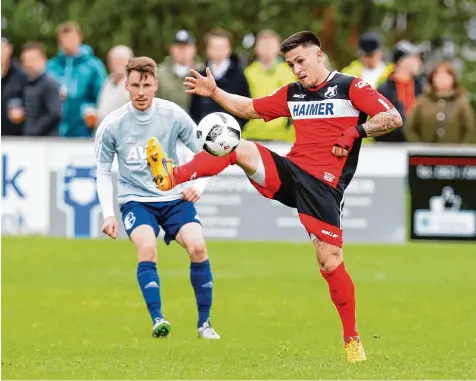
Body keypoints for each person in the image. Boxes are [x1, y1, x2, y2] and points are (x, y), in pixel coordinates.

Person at [148, 31, 402, 362]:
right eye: (291, 63)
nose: (297, 69)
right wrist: (216, 93)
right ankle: (173, 176)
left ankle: (352, 339)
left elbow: (392, 117)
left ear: (319, 56)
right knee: (237, 146)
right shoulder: (293, 93)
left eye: (301, 61)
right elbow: (250, 108)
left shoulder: (350, 87)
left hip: (323, 188)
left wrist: (356, 130)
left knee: (330, 263)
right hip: (290, 173)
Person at [95, 56, 219, 339]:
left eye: (146, 85)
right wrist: (108, 214)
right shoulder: (113, 125)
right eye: (135, 85)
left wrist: (198, 185)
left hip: (174, 197)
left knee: (198, 247)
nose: (140, 92)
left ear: (155, 85)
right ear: (126, 85)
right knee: (147, 247)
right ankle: (158, 319)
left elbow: (209, 154)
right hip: (135, 200)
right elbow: (102, 171)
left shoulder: (173, 115)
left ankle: (204, 324)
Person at [47, 21, 107, 137]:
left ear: (80, 38)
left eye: (72, 38)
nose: (68, 42)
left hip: (83, 128)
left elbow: (102, 94)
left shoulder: (93, 65)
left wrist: (91, 109)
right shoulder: (51, 66)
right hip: (55, 128)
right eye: (64, 39)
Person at [189, 28, 250, 128]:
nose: (218, 51)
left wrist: (235, 127)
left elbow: (246, 106)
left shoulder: (239, 76)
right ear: (207, 49)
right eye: (214, 47)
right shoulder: (200, 75)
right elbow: (194, 108)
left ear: (229, 49)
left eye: (222, 47)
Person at [243, 29, 297, 142]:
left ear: (279, 48)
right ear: (256, 48)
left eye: (271, 44)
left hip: (284, 139)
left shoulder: (291, 73)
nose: (267, 48)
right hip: (252, 137)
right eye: (263, 44)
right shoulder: (247, 73)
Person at [404, 61, 475, 143]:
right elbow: (409, 128)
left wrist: (461, 151)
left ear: (453, 78)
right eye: (438, 75)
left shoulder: (461, 102)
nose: (442, 79)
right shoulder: (422, 101)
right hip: (425, 153)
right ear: (432, 78)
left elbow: (470, 129)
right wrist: (419, 147)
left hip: (454, 153)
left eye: (446, 75)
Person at [376, 40, 425, 142]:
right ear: (402, 60)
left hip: (419, 145)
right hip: (391, 147)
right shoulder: (384, 89)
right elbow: (379, 125)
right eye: (415, 58)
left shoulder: (423, 86)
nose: (419, 62)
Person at [156, 30, 204, 111]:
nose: (182, 50)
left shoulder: (203, 73)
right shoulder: (159, 73)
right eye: (179, 47)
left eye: (186, 46)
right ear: (171, 49)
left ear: (194, 49)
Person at [20, 42, 62, 136]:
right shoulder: (23, 83)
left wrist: (34, 131)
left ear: (43, 60)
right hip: (27, 140)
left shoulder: (50, 84)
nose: (29, 64)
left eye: (33, 60)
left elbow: (55, 114)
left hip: (46, 142)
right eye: (26, 60)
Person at [97, 45, 134, 122]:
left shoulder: (135, 84)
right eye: (114, 61)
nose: (117, 64)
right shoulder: (108, 81)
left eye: (121, 60)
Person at [1, 37, 27, 136]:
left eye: (2, 48)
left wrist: (24, 112)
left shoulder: (22, 75)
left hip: (15, 140)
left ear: (9, 49)